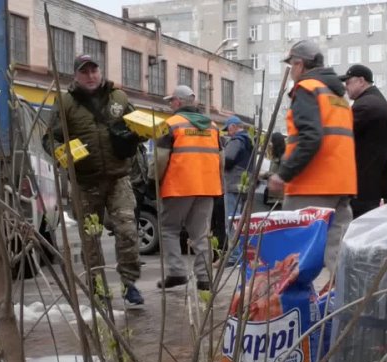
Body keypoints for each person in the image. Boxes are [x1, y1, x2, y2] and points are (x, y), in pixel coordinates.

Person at [48, 54, 144, 306]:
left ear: (100, 71)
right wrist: (61, 152)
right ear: (76, 76)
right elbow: (50, 138)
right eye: (84, 72)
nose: (90, 76)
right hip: (85, 181)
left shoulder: (119, 99)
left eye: (94, 70)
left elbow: (137, 126)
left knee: (127, 229)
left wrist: (138, 135)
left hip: (118, 178)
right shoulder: (66, 103)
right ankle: (98, 287)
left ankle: (130, 283)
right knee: (91, 237)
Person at [267, 40, 357, 274]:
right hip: (342, 184)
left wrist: (283, 174)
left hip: (312, 184)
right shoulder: (338, 96)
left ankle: (294, 307)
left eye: (291, 65)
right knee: (337, 255)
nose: (290, 72)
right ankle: (347, 304)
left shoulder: (307, 88)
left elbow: (311, 138)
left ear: (299, 64)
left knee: (294, 256)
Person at [152, 85, 222, 291]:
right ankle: (204, 278)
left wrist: (153, 180)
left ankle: (176, 272)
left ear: (179, 102)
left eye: (171, 100)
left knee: (168, 229)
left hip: (179, 186)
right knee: (201, 234)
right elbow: (222, 159)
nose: (170, 104)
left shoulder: (171, 124)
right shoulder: (213, 126)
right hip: (207, 187)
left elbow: (160, 159)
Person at [339, 64, 387, 218]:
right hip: (368, 182)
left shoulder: (366, 105)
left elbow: (342, 135)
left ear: (361, 81)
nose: (346, 87)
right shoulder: (373, 100)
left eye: (348, 82)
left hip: (362, 184)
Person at [221, 115, 253, 239]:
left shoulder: (237, 141)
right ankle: (241, 251)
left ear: (233, 127)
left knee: (232, 219)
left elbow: (228, 159)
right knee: (242, 220)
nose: (228, 133)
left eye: (228, 130)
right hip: (245, 185)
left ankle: (233, 254)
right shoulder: (249, 140)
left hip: (233, 185)